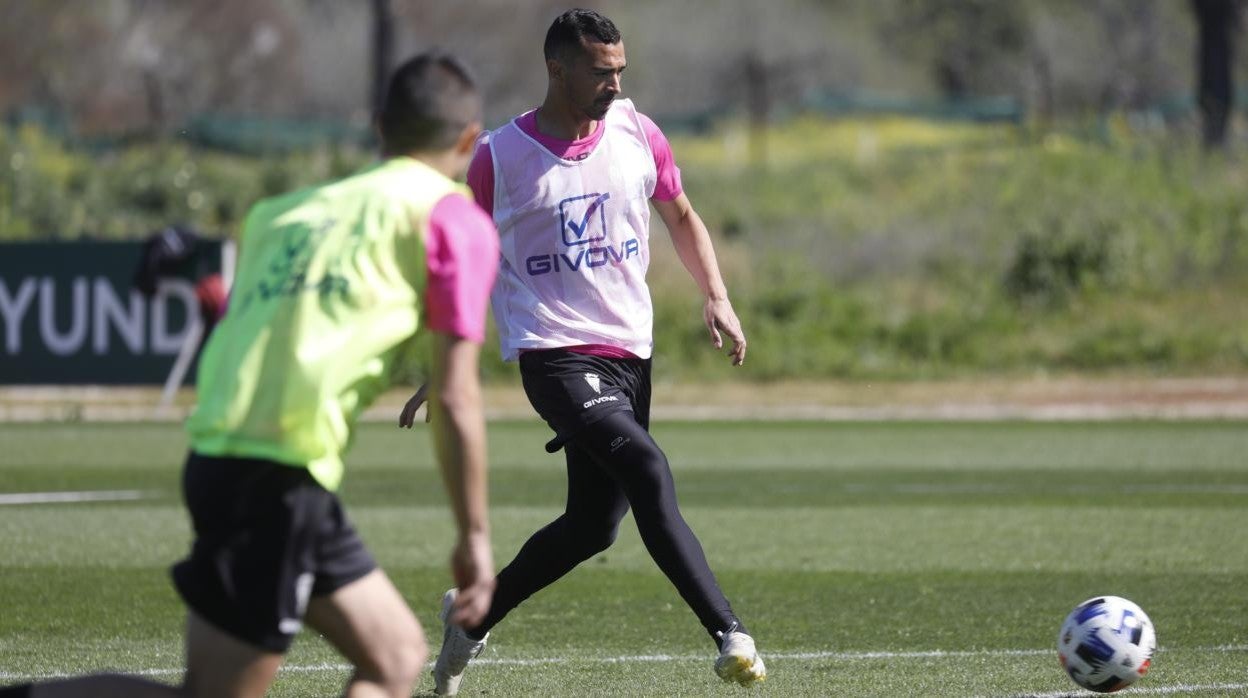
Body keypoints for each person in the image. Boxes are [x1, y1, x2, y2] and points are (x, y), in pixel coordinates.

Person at [1, 51, 500, 698]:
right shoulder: (454, 218)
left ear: (379, 128)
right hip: (277, 473)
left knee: (395, 654)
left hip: (232, 455)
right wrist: (475, 539)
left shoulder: (283, 213)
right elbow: (456, 395)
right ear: (469, 139)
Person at [400, 9, 766, 694]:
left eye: (620, 70)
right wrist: (438, 358)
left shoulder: (636, 132)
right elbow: (465, 262)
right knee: (648, 468)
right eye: (601, 73)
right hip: (553, 354)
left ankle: (470, 621)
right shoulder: (499, 159)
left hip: (630, 351)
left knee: (592, 527)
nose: (614, 84)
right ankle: (730, 633)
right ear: (558, 69)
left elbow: (681, 214)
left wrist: (716, 294)